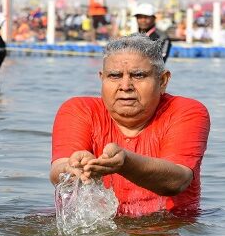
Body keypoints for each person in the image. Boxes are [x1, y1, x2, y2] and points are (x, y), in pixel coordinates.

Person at [50, 34, 210, 216]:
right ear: (102, 78)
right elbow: (58, 169)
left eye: (138, 75)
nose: (125, 85)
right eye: (115, 76)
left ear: (163, 81)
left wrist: (125, 163)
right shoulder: (78, 109)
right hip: (98, 229)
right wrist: (72, 168)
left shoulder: (186, 111)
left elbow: (177, 181)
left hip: (169, 230)